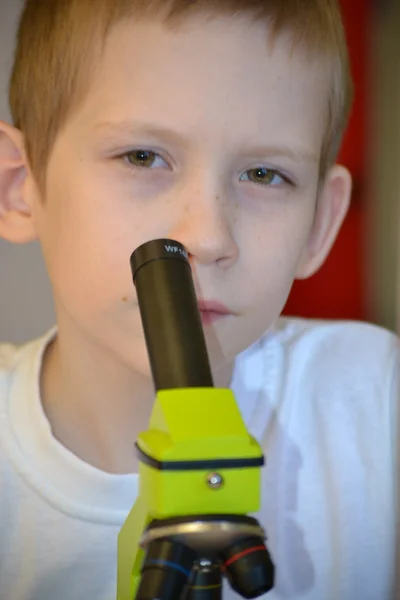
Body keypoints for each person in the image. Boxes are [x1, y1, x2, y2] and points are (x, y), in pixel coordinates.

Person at [0, 1, 398, 599]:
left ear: (320, 223)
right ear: (20, 187)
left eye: (264, 174)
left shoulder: (375, 402)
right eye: (142, 157)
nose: (207, 237)